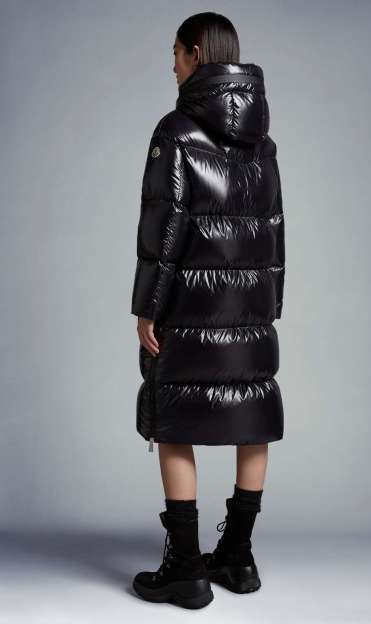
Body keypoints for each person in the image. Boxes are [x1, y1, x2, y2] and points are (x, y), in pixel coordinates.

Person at [130, 12, 285, 609]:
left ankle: (186, 570)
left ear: (196, 53)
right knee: (251, 414)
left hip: (188, 306)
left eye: (175, 53)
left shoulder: (174, 130)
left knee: (173, 418)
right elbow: (275, 229)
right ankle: (238, 558)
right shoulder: (263, 141)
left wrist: (147, 308)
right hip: (252, 309)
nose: (170, 65)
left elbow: (163, 227)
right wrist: (270, 305)